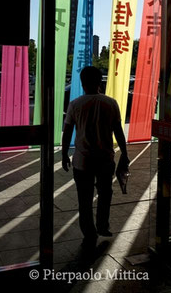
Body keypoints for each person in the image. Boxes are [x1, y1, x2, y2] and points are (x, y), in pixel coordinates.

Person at [61, 66, 129, 250]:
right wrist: (125, 152)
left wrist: (64, 154)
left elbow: (67, 132)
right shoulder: (111, 103)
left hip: (82, 160)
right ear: (100, 82)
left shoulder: (75, 104)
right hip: (105, 160)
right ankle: (102, 226)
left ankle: (89, 232)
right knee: (105, 193)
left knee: (84, 198)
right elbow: (118, 131)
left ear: (82, 83)